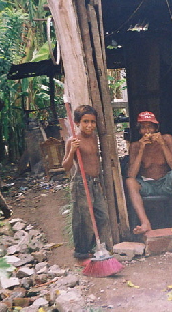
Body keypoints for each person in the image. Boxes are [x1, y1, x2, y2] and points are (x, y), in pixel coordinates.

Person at [125, 111, 172, 234]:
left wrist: (162, 144)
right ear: (139, 131)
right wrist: (142, 149)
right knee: (130, 182)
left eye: (150, 126)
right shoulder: (135, 146)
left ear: (156, 128)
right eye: (143, 127)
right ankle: (145, 222)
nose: (147, 131)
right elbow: (132, 174)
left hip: (165, 182)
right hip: (147, 184)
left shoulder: (166, 139)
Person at [62, 105, 111, 266]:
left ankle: (97, 247)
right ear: (77, 123)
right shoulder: (73, 140)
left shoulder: (95, 137)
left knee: (102, 216)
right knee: (83, 220)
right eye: (85, 122)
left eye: (92, 122)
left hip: (95, 183)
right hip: (81, 183)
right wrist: (72, 151)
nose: (89, 125)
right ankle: (82, 253)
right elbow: (66, 166)